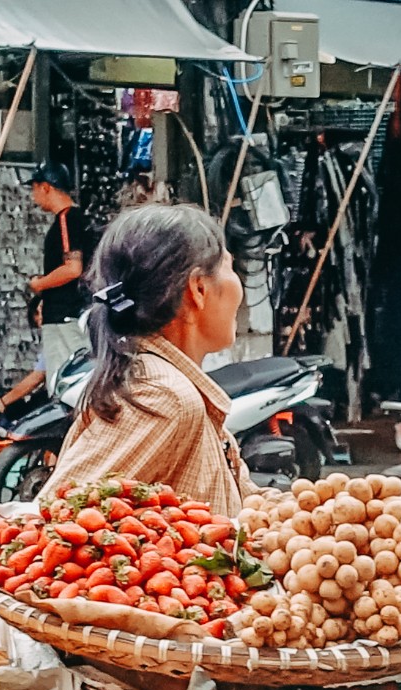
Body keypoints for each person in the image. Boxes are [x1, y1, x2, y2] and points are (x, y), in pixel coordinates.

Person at [38, 202, 254, 513]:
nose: (239, 285)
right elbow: (56, 523)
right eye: (229, 266)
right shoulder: (165, 397)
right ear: (198, 289)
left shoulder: (174, 391)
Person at [0, 164, 95, 424]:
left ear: (46, 187)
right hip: (68, 315)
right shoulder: (72, 220)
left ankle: (63, 443)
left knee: (63, 386)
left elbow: (72, 267)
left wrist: (39, 284)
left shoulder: (67, 219)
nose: (33, 197)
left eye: (35, 190)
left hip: (65, 315)